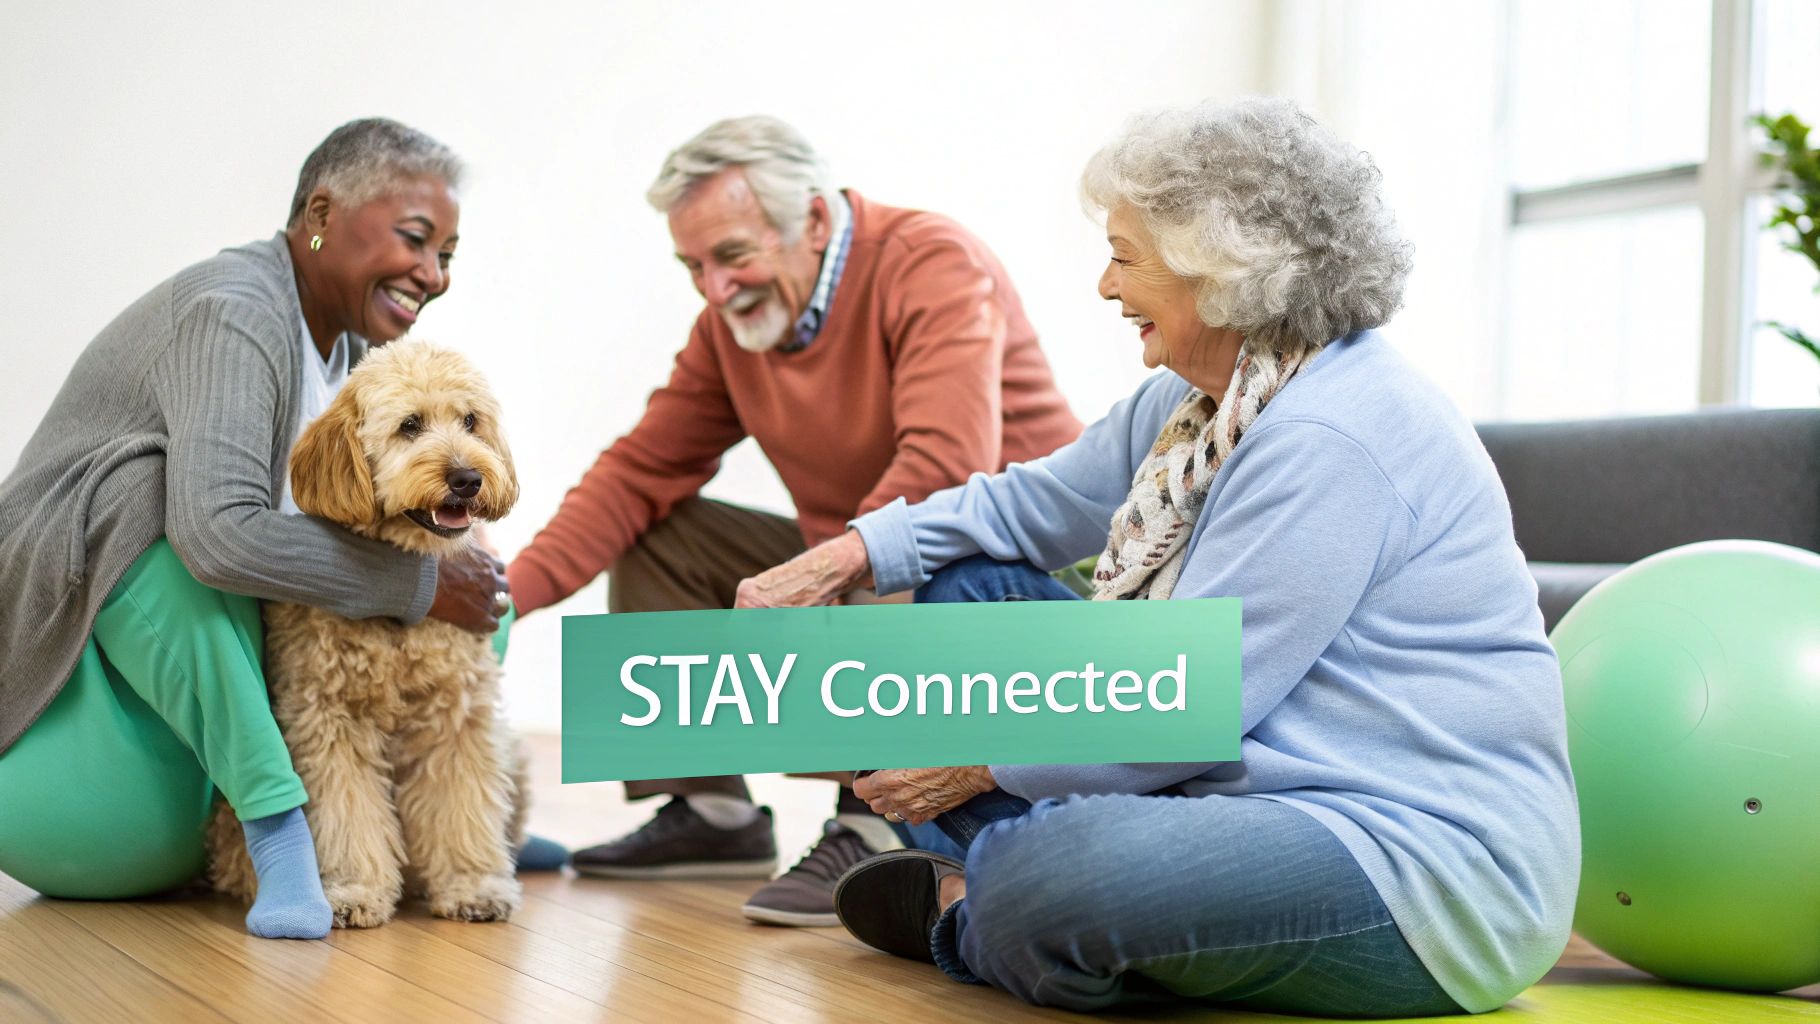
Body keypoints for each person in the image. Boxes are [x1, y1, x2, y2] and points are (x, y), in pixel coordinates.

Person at [735, 98, 1579, 1017]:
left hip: (1403, 855)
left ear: (1219, 275)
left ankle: (977, 903)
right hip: (1231, 786)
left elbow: (1182, 702)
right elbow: (1032, 506)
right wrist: (849, 555)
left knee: (1045, 874)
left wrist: (980, 763)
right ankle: (1073, 900)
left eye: (1126, 258)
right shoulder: (1200, 403)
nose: (1105, 285)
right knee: (967, 592)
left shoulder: (1334, 434)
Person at [506, 115, 1082, 926]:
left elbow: (944, 470)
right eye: (693, 266)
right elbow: (639, 470)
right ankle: (713, 815)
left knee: (906, 542)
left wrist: (837, 563)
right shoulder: (730, 328)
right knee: (661, 530)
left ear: (812, 221)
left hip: (1013, 582)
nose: (713, 288)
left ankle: (877, 818)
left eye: (732, 256)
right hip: (866, 562)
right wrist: (506, 597)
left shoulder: (930, 262)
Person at [0, 118, 521, 940]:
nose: (433, 274)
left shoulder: (347, 339)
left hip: (164, 627)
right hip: (68, 606)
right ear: (320, 215)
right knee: (163, 508)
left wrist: (451, 567)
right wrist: (420, 585)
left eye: (446, 256)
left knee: (472, 571)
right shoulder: (236, 313)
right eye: (416, 241)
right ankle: (283, 836)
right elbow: (219, 537)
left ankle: (465, 839)